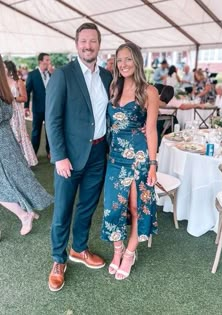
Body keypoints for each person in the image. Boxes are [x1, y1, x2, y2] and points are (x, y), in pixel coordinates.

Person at [45, 23, 113, 292]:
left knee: (87, 206)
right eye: (83, 41)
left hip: (98, 153)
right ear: (76, 44)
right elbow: (53, 119)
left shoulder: (107, 77)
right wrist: (59, 156)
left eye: (93, 41)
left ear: (99, 44)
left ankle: (79, 249)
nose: (88, 46)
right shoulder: (63, 75)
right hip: (69, 157)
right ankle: (58, 260)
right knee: (62, 209)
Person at [100, 42, 159, 280]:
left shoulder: (149, 92)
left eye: (128, 59)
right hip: (115, 159)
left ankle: (130, 254)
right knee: (113, 208)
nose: (123, 64)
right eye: (119, 59)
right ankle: (117, 250)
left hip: (140, 159)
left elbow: (152, 130)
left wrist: (153, 164)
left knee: (136, 208)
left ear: (137, 61)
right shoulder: (113, 87)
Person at [0, 54, 53, 237]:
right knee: (16, 177)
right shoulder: (4, 86)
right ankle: (27, 209)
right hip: (6, 138)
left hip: (3, 142)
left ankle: (24, 215)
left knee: (7, 183)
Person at [4, 60, 38, 167]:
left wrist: (12, 98)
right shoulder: (2, 83)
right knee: (10, 136)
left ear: (9, 69)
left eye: (4, 67)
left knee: (19, 134)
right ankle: (12, 162)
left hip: (17, 112)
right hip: (6, 112)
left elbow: (24, 98)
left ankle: (26, 161)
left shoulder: (18, 82)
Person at [25, 53, 51, 159]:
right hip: (37, 109)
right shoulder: (32, 74)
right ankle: (33, 154)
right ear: (40, 61)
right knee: (36, 132)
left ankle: (50, 152)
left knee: (50, 132)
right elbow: (27, 91)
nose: (49, 62)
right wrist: (26, 107)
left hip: (50, 109)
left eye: (49, 60)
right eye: (47, 60)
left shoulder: (51, 74)